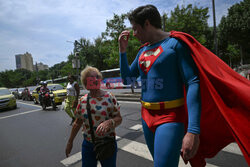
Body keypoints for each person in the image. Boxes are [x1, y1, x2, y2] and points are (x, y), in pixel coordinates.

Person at [118, 4, 250, 167]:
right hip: (146, 116)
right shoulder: (142, 51)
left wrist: (193, 130)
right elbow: (127, 80)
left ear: (147, 23)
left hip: (170, 117)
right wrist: (122, 52)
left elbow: (192, 82)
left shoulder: (175, 44)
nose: (134, 34)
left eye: (136, 29)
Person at [65, 66, 122, 167]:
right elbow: (77, 123)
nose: (95, 80)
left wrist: (110, 122)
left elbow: (119, 118)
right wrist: (70, 142)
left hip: (107, 143)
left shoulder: (110, 97)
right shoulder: (82, 100)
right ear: (86, 84)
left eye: (97, 77)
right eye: (91, 78)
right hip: (88, 145)